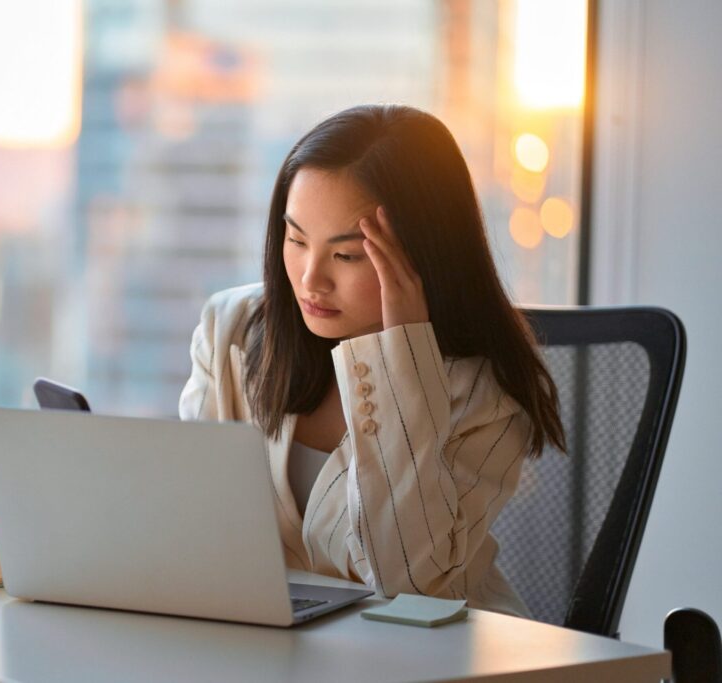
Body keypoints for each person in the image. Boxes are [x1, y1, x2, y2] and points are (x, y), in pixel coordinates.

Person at [178, 104, 565, 617]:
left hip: (431, 655)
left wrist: (400, 356)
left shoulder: (487, 393)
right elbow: (195, 528)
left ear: (424, 255)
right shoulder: (232, 327)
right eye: (296, 240)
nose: (310, 279)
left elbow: (404, 580)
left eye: (347, 255)